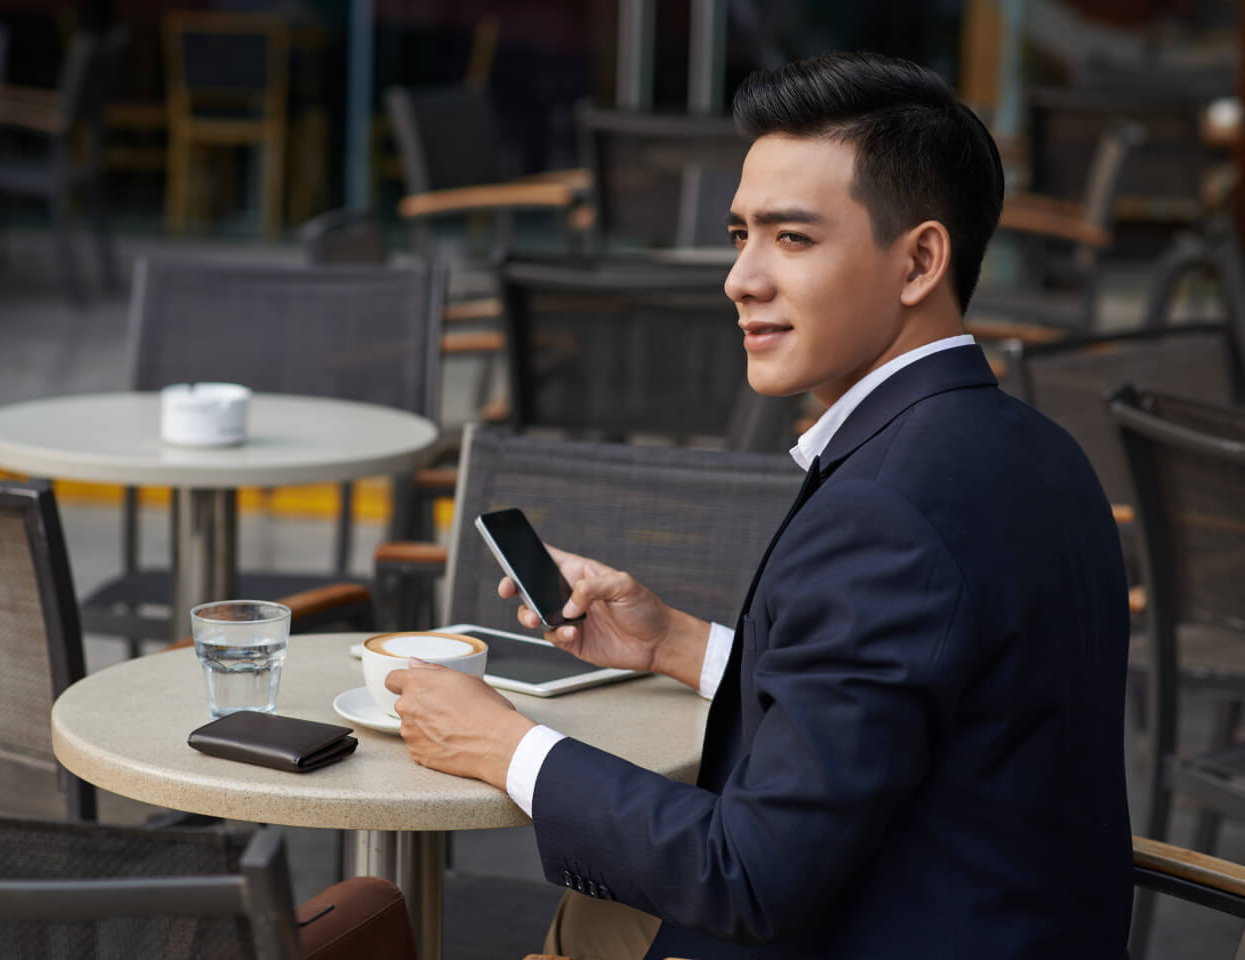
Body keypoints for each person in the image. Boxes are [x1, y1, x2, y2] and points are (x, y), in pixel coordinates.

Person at [385, 51, 1132, 959]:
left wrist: (507, 746)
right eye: (741, 235)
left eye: (792, 238)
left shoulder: (887, 510)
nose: (741, 278)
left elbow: (747, 876)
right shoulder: (1034, 448)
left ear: (920, 260)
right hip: (977, 907)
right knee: (592, 919)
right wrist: (674, 643)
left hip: (875, 923)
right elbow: (916, 700)